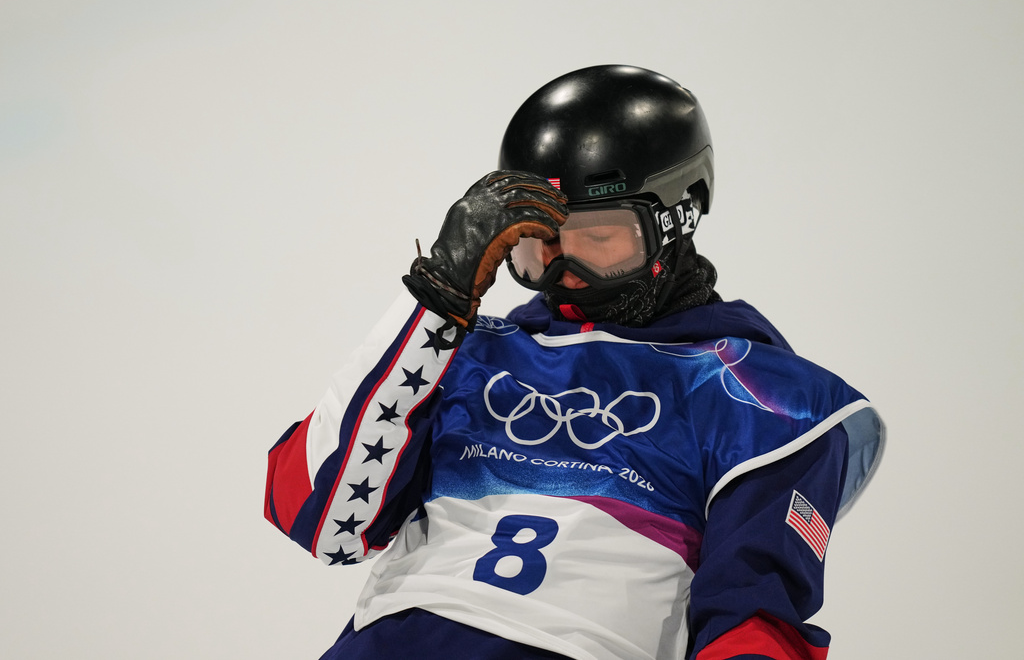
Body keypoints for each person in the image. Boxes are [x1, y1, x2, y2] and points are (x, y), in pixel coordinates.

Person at [264, 65, 885, 660]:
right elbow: (322, 522)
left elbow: (756, 618)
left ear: (680, 213)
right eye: (538, 242)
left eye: (596, 238)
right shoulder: (462, 349)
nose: (564, 273)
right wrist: (435, 298)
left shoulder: (768, 400)